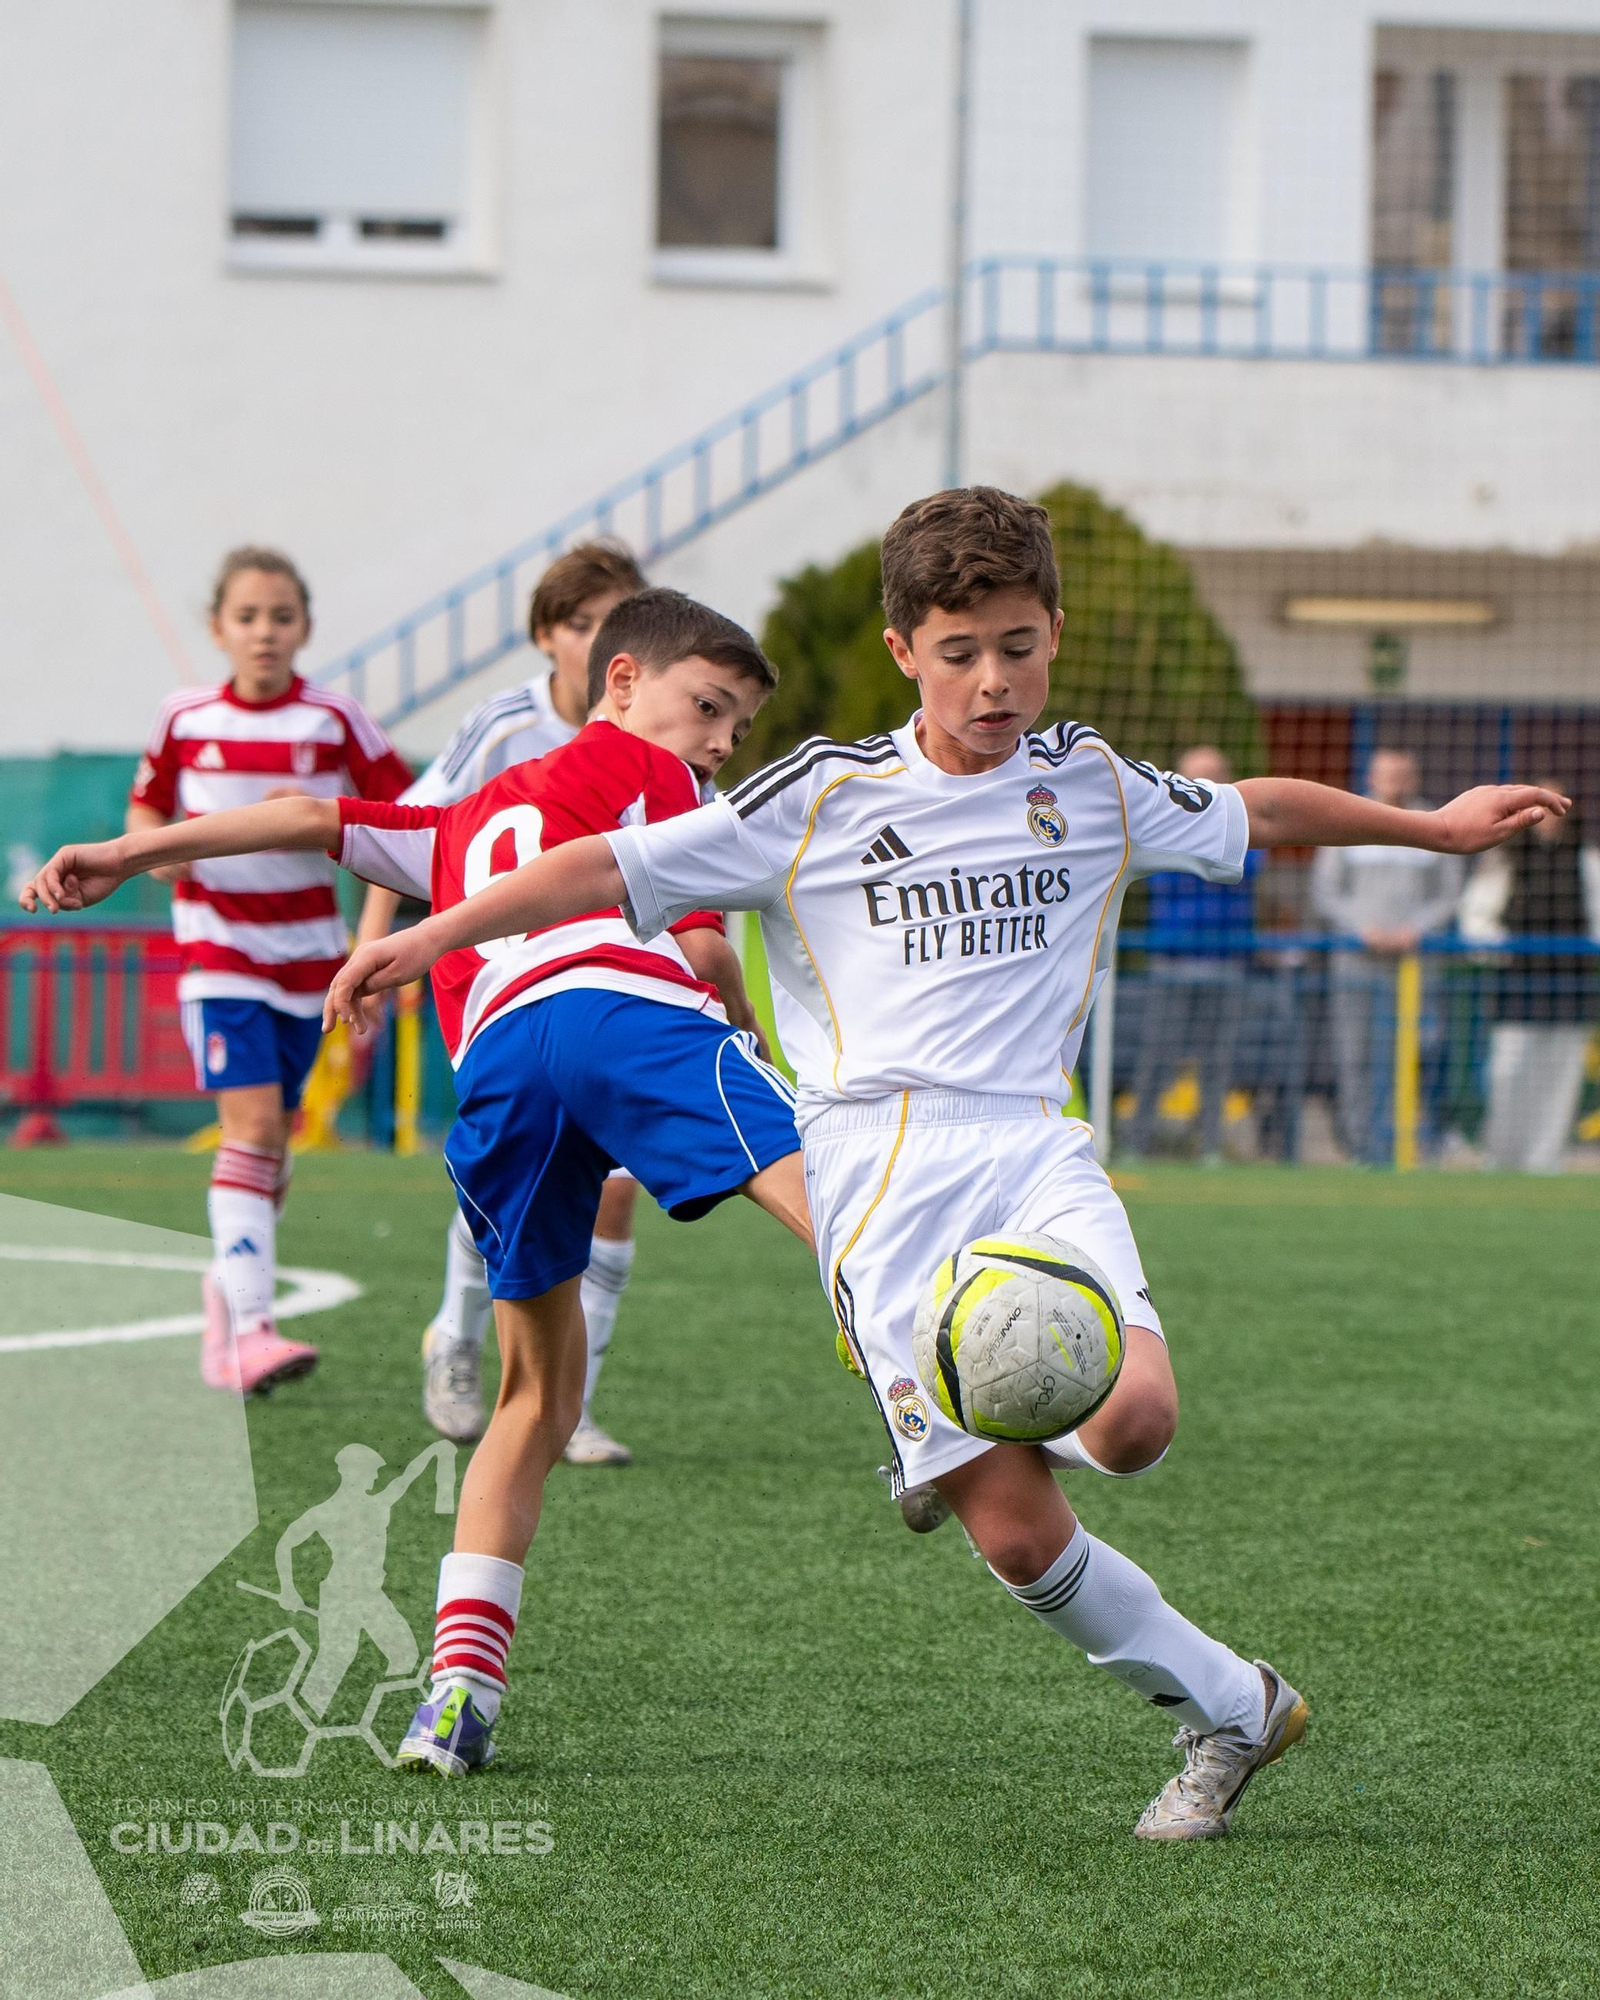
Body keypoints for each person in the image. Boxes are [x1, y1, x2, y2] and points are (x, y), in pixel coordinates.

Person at [332, 488, 1570, 1838]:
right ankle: (1234, 1706)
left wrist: (1437, 828)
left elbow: (1250, 810)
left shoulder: (1088, 781)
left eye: (1021, 646)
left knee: (1136, 1421)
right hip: (875, 1189)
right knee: (1025, 1540)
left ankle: (946, 1432)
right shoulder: (814, 798)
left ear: (1056, 635)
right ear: (903, 649)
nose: (996, 681)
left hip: (1031, 1150)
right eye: (962, 650)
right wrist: (428, 937)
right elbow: (601, 868)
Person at [24, 587, 814, 1782]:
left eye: (735, 729)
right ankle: (934, 1411)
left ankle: (451, 1696)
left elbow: (296, 817)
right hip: (622, 1019)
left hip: (499, 1070)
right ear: (622, 685)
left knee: (531, 1403)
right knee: (848, 1206)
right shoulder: (660, 788)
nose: (717, 742)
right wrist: (751, 1036)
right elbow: (700, 942)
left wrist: (128, 852)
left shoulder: (455, 819)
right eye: (708, 708)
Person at [357, 540, 649, 1461]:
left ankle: (575, 1403)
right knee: (511, 1172)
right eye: (582, 622)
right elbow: (398, 834)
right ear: (545, 637)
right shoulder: (502, 726)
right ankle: (455, 1339)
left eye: (619, 620)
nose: (602, 640)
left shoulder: (660, 730)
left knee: (611, 1191)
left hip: (610, 986)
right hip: (499, 984)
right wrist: (374, 949)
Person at [127, 547, 411, 1394]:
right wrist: (156, 852)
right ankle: (252, 1328)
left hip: (310, 960)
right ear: (218, 628)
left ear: (306, 628)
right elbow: (147, 800)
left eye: (281, 617)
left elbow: (396, 818)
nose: (264, 633)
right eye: (247, 617)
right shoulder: (182, 717)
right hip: (218, 952)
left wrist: (374, 943)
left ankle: (226, 1297)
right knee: (249, 1130)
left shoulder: (334, 720)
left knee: (273, 1145)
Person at [1310, 747, 1463, 1164]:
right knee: (1354, 1054)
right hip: (1356, 964)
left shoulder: (1434, 823)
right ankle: (1361, 1147)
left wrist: (1415, 930)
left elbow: (1449, 893)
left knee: (1411, 1054)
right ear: (1372, 777)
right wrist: (1364, 930)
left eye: (1402, 774)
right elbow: (1326, 892)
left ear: (1413, 779)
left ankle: (1407, 1146)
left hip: (1415, 967)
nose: (1394, 782)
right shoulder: (1346, 817)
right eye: (1386, 774)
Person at [1123, 744, 1262, 1163]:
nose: (1207, 785)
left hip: (1228, 962)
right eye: (1198, 776)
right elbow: (1165, 877)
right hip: (1172, 963)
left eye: (1215, 775)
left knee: (1218, 1062)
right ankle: (1134, 1144)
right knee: (1157, 1059)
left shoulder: (1245, 828)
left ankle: (1210, 1145)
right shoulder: (1158, 827)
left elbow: (1246, 870)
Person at [1460, 787, 1600, 1172]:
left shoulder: (1586, 860)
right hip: (1517, 983)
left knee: (1562, 1073)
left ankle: (1546, 1160)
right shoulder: (1505, 857)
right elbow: (1476, 918)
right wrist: (1496, 952)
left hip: (1570, 983)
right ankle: (1501, 1157)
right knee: (1509, 1070)